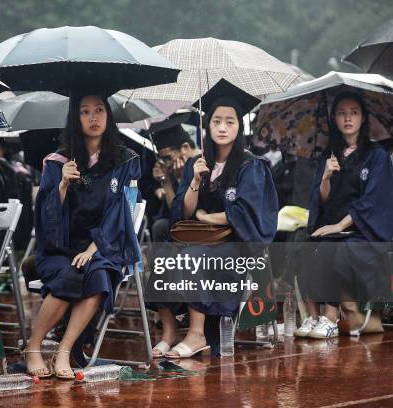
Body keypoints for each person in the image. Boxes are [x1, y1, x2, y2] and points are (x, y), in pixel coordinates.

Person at [149, 79, 278, 358]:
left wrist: (208, 217)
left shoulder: (250, 166)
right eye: (216, 121)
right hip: (203, 238)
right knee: (163, 254)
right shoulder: (199, 164)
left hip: (237, 244)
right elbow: (183, 212)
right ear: (207, 126)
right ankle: (170, 331)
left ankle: (196, 335)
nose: (222, 127)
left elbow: (246, 214)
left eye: (229, 121)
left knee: (194, 254)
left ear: (239, 127)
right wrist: (195, 180)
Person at [25, 93, 141, 378]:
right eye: (85, 111)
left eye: (99, 110)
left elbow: (120, 212)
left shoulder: (125, 161)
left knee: (98, 276)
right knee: (70, 274)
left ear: (108, 116)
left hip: (103, 246)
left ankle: (64, 350)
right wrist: (63, 184)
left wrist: (94, 248)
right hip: (60, 248)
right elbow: (44, 216)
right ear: (75, 119)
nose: (93, 117)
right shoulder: (57, 162)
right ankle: (33, 347)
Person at [295, 92, 393, 339]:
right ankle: (312, 316)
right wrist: (326, 177)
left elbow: (372, 202)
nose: (348, 118)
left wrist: (339, 225)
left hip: (364, 230)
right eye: (341, 113)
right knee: (304, 244)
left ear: (363, 118)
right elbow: (322, 200)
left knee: (336, 250)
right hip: (334, 227)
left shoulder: (377, 156)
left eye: (354, 112)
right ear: (334, 120)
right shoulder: (329, 155)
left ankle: (330, 317)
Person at [151, 124, 199, 242]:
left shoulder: (201, 164)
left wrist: (182, 180)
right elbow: (174, 212)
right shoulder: (178, 167)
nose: (166, 163)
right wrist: (165, 180)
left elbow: (185, 215)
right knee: (160, 226)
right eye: (163, 160)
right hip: (179, 223)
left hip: (201, 225)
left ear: (185, 148)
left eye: (168, 158)